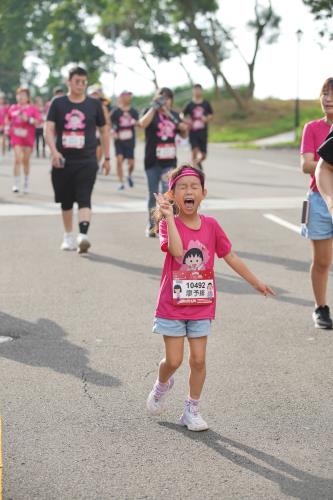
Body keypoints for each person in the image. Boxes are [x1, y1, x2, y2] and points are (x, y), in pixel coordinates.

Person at [146, 164, 274, 431]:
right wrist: (169, 217)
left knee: (199, 359)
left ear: (203, 193)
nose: (189, 191)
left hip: (201, 304)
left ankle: (191, 409)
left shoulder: (212, 225)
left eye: (194, 187)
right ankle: (161, 386)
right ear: (173, 194)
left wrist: (256, 282)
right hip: (172, 304)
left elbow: (230, 256)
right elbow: (179, 252)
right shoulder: (166, 224)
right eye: (182, 187)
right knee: (173, 361)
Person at [45, 66, 111, 254]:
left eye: (84, 82)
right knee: (66, 201)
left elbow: (104, 131)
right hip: (63, 161)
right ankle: (68, 236)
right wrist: (54, 151)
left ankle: (83, 235)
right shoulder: (58, 103)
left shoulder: (94, 104)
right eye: (77, 82)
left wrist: (107, 157)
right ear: (69, 82)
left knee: (84, 196)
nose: (81, 85)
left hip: (87, 160)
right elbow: (48, 129)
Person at [300, 78, 333, 330]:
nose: (328, 98)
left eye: (332, 94)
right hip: (318, 201)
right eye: (324, 93)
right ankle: (320, 307)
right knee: (322, 261)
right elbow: (307, 165)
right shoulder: (312, 127)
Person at [139, 87, 188, 237]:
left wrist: (167, 112)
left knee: (168, 194)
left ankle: (167, 226)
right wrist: (154, 109)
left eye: (167, 98)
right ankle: (152, 224)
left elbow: (184, 131)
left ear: (171, 100)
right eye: (161, 97)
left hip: (169, 162)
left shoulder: (173, 115)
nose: (164, 100)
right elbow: (142, 124)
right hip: (152, 161)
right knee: (153, 194)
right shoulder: (149, 111)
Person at [7, 88, 42, 193]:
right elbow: (7, 119)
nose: (21, 97)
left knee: (25, 161)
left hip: (28, 138)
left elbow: (38, 122)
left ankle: (26, 182)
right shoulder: (13, 108)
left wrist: (29, 119)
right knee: (17, 159)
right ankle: (16, 184)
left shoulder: (32, 109)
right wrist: (7, 127)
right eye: (19, 95)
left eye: (23, 95)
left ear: (28, 98)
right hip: (16, 137)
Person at [111, 91, 139, 190]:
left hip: (130, 140)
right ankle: (121, 182)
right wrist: (113, 132)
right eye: (125, 96)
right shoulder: (116, 111)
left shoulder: (134, 111)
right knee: (119, 160)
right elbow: (111, 124)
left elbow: (138, 124)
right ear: (120, 98)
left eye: (129, 96)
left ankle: (129, 175)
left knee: (131, 163)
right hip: (119, 140)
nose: (127, 98)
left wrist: (134, 122)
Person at [182, 84, 213, 170]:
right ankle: (194, 170)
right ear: (193, 91)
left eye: (199, 90)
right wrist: (187, 121)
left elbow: (211, 115)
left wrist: (206, 118)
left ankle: (196, 163)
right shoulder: (189, 104)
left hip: (203, 132)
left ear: (201, 91)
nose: (197, 92)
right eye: (195, 90)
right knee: (194, 150)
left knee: (203, 155)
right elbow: (182, 115)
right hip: (193, 132)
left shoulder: (206, 103)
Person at [87, 84, 111, 168]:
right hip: (89, 133)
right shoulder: (85, 105)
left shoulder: (102, 107)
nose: (94, 96)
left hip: (99, 132)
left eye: (96, 94)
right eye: (93, 94)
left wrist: (105, 127)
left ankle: (96, 164)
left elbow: (107, 121)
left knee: (99, 151)